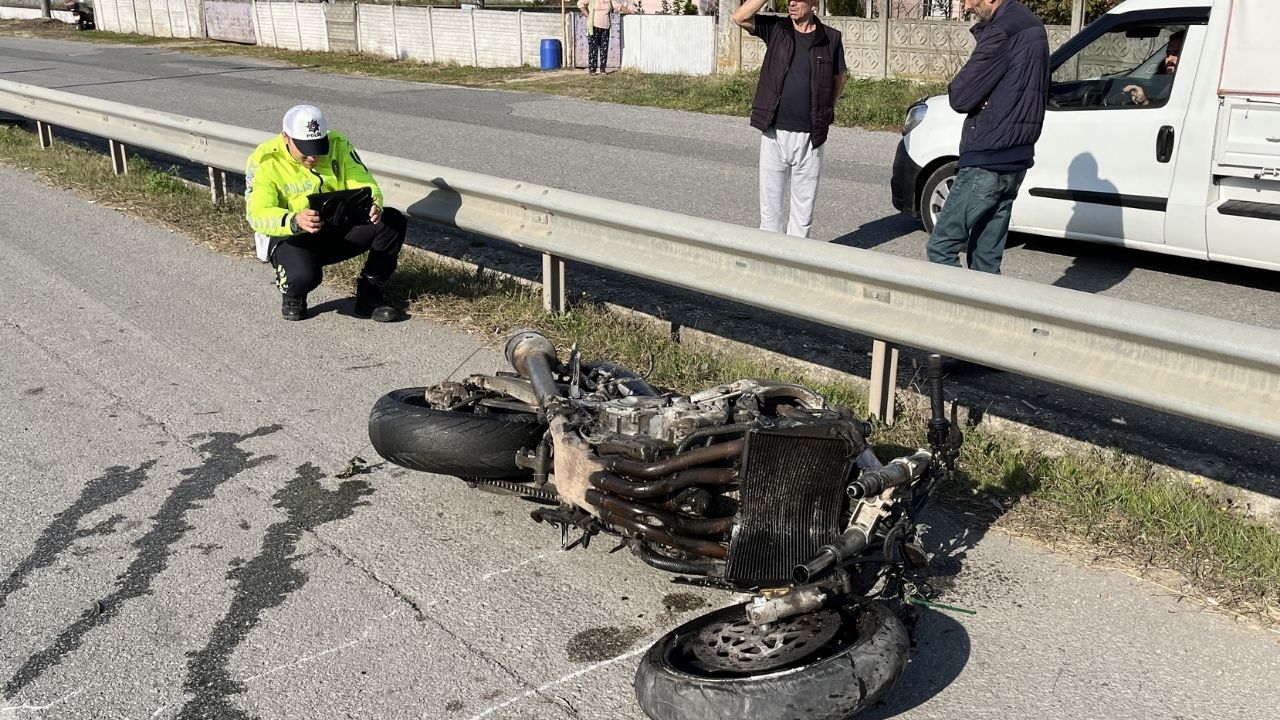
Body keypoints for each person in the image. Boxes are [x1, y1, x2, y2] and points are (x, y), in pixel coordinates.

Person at [245, 105, 407, 322]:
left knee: (392, 221)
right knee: (304, 276)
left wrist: (373, 203)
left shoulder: (338, 144)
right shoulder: (265, 159)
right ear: (286, 137)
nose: (313, 156)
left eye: (317, 146)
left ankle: (369, 293)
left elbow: (363, 181)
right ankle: (294, 293)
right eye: (305, 148)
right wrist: (294, 220)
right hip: (292, 235)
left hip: (336, 227)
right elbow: (257, 213)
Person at [925, 0, 1048, 275]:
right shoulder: (1032, 24)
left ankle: (960, 314)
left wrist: (980, 95)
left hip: (988, 158)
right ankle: (988, 316)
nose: (967, 5)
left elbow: (960, 95)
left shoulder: (1001, 30)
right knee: (986, 261)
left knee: (941, 247)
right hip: (1017, 158)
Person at [733, 0, 847, 239]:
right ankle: (770, 262)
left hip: (810, 137)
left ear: (814, 3)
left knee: (802, 215)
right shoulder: (777, 30)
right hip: (774, 133)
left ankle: (795, 265)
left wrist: (824, 109)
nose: (791, 3)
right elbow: (740, 17)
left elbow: (839, 79)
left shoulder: (831, 38)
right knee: (770, 212)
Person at [1122, 30, 1184, 106]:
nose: (1170, 58)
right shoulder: (1168, 83)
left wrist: (1145, 102)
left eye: (1177, 53)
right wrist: (1143, 101)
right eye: (1168, 53)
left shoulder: (1186, 87)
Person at [577, 0, 633, 75]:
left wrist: (630, 12)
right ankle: (592, 70)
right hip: (593, 27)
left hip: (605, 28)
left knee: (604, 49)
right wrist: (588, 15)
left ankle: (602, 69)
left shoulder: (610, 1)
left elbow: (620, 7)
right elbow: (580, 4)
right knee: (593, 49)